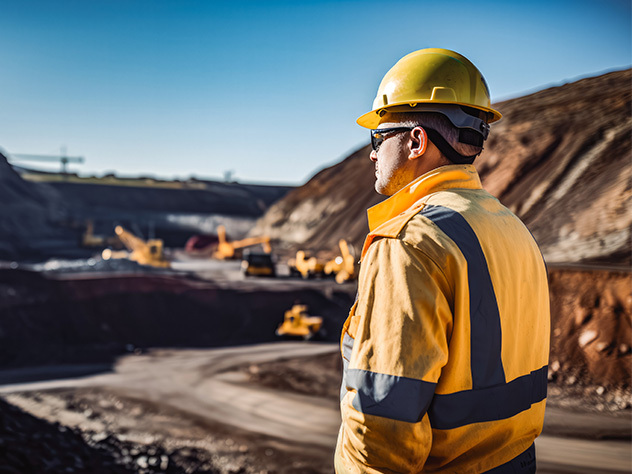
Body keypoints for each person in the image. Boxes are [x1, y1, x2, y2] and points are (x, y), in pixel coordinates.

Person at [335, 48, 550, 473]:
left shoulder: (410, 242)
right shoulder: (511, 228)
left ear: (416, 141)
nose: (373, 154)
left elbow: (383, 428)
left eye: (379, 138)